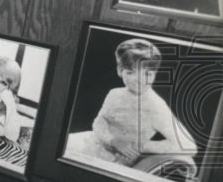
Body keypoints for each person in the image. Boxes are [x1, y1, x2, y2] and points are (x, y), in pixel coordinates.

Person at [65, 39, 197, 170]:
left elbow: (189, 146)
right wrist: (114, 140)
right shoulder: (114, 94)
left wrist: (141, 146)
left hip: (117, 159)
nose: (139, 80)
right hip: (93, 143)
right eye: (131, 72)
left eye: (148, 74)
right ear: (119, 70)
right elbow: (99, 121)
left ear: (155, 74)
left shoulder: (155, 106)